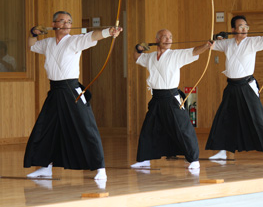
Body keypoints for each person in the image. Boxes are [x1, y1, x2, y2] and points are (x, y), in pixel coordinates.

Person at [24, 11, 123, 180]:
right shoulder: (47, 43)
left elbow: (93, 36)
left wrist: (109, 32)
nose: (66, 24)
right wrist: (33, 32)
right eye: (62, 21)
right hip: (55, 91)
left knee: (86, 127)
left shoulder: (75, 41)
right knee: (45, 127)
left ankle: (100, 168)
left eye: (69, 21)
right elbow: (32, 45)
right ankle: (45, 166)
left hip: (71, 90)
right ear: (53, 24)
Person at [205, 15, 263, 164]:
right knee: (225, 118)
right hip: (231, 87)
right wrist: (216, 38)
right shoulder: (227, 43)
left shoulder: (252, 42)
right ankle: (222, 151)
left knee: (257, 118)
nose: (244, 29)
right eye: (240, 27)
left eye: (246, 27)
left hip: (247, 86)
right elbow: (211, 45)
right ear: (233, 30)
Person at [131, 29, 214, 170]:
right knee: (149, 128)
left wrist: (206, 46)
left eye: (170, 37)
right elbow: (137, 57)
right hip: (156, 98)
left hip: (171, 97)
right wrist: (138, 48)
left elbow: (193, 51)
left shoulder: (175, 55)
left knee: (182, 128)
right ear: (157, 40)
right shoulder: (150, 57)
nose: (168, 39)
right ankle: (144, 159)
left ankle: (194, 159)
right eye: (165, 37)